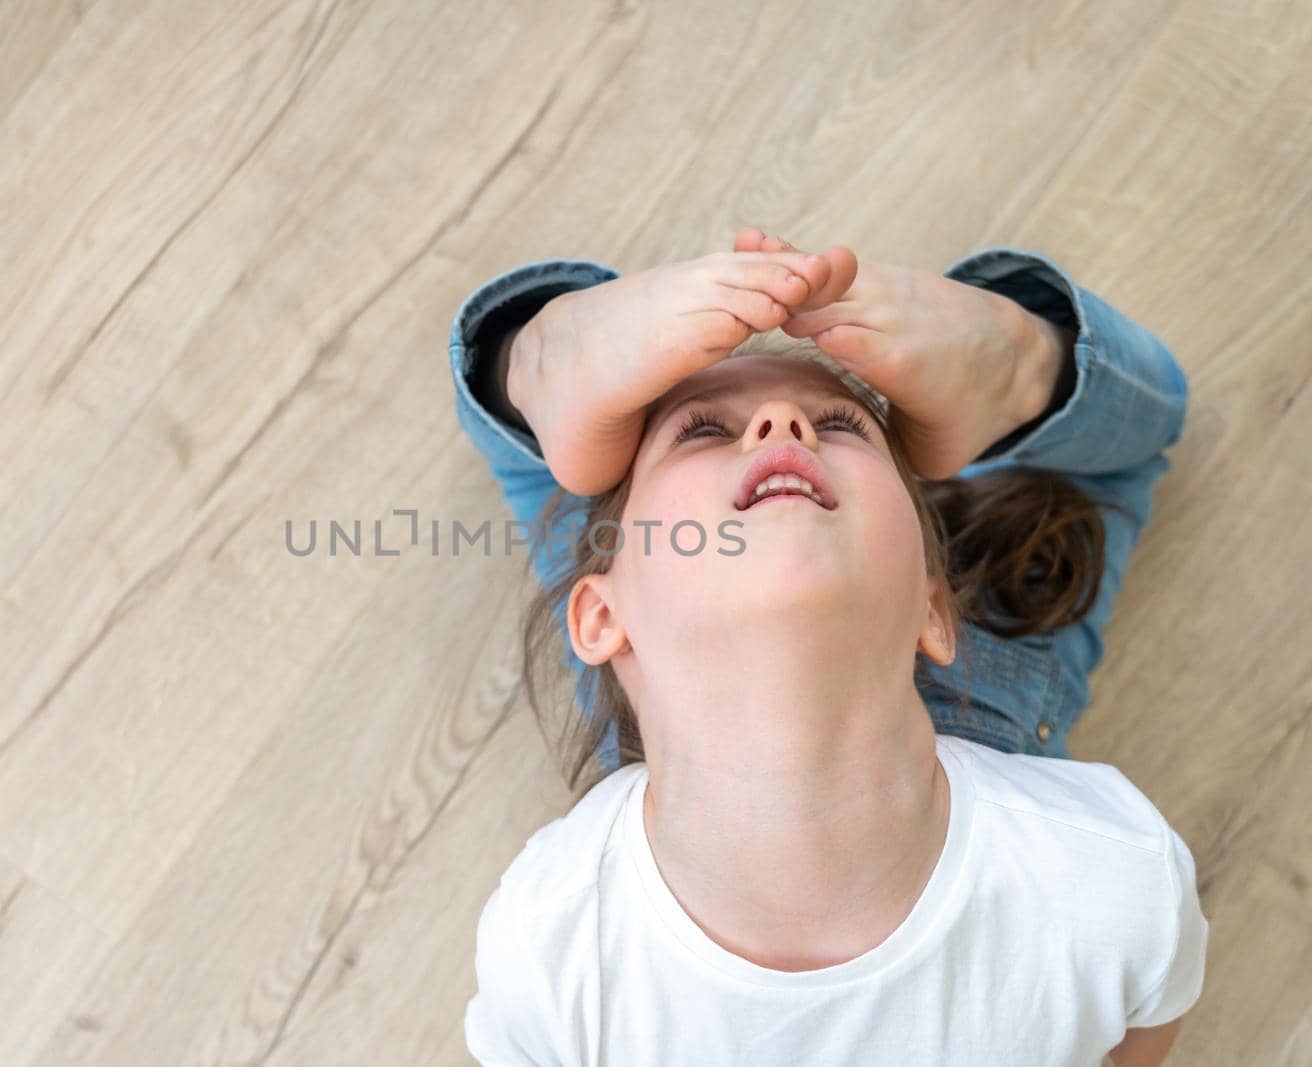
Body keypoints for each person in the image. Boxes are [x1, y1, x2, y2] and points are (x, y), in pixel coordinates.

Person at [447, 230, 1209, 1066]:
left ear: (929, 601)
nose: (783, 424)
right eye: (704, 430)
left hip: (644, 706)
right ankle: (1024, 368)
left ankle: (537, 364)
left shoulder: (554, 940)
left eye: (841, 424)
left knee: (575, 480)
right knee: (1104, 462)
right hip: (980, 712)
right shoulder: (1101, 878)